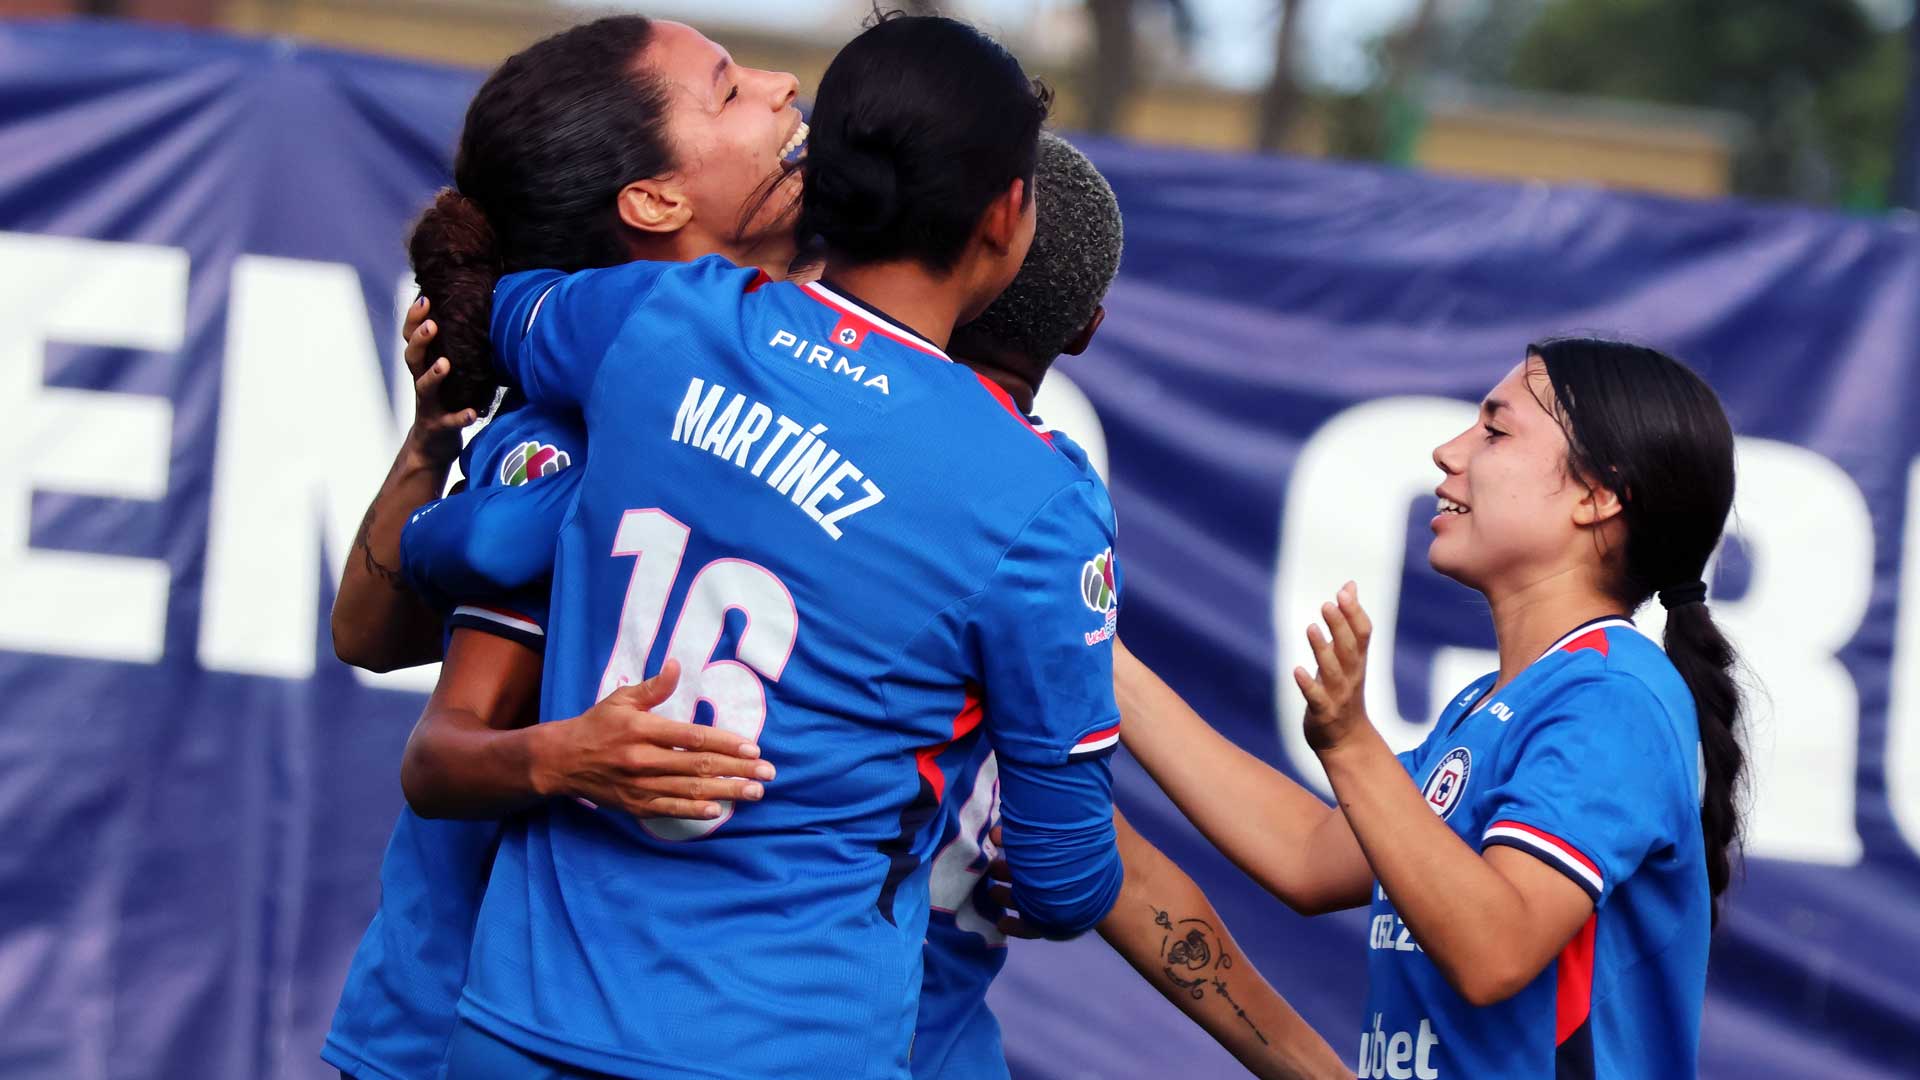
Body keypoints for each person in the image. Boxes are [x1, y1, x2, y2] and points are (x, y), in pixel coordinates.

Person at [394, 118, 1347, 1077]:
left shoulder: (1007, 537)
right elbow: (1100, 879)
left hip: (730, 1028)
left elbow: (1099, 869)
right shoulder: (1024, 527)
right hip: (760, 1032)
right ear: (1082, 326)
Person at [415, 15, 1128, 1078]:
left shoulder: (662, 316)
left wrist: (467, 509)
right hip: (789, 1043)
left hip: (525, 1023)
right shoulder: (1038, 497)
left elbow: (510, 306)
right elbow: (1067, 883)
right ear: (1004, 216)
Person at [322, 18, 800, 1080]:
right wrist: (566, 755)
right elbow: (397, 679)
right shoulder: (572, 439)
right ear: (655, 202)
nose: (781, 83)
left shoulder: (780, 394)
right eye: (726, 92)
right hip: (464, 1029)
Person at [1119, 339, 1745, 1077]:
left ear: (1597, 496)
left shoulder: (1615, 697)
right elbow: (1305, 854)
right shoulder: (1492, 703)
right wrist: (1093, 654)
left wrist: (1351, 744)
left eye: (1495, 430)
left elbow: (1495, 951)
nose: (1448, 452)